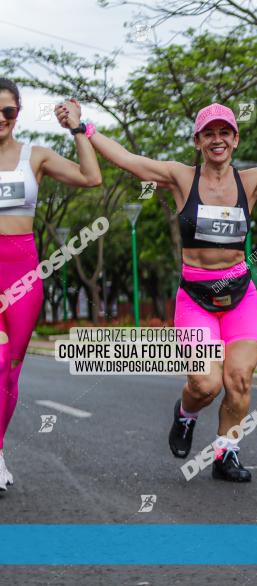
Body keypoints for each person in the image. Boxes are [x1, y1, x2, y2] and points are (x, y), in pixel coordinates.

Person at [60, 77, 257, 482]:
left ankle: (225, 453)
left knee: (238, 380)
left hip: (239, 296)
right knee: (204, 384)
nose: (217, 139)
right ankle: (185, 415)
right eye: (209, 133)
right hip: (196, 298)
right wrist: (84, 128)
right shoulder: (181, 177)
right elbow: (129, 159)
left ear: (235, 140)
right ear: (198, 141)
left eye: (224, 132)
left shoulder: (250, 183)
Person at [0, 79, 102, 490]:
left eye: (7, 111)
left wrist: (78, 129)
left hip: (23, 273)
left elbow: (91, 177)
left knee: (9, 376)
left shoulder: (35, 156)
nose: (0, 119)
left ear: (17, 113)